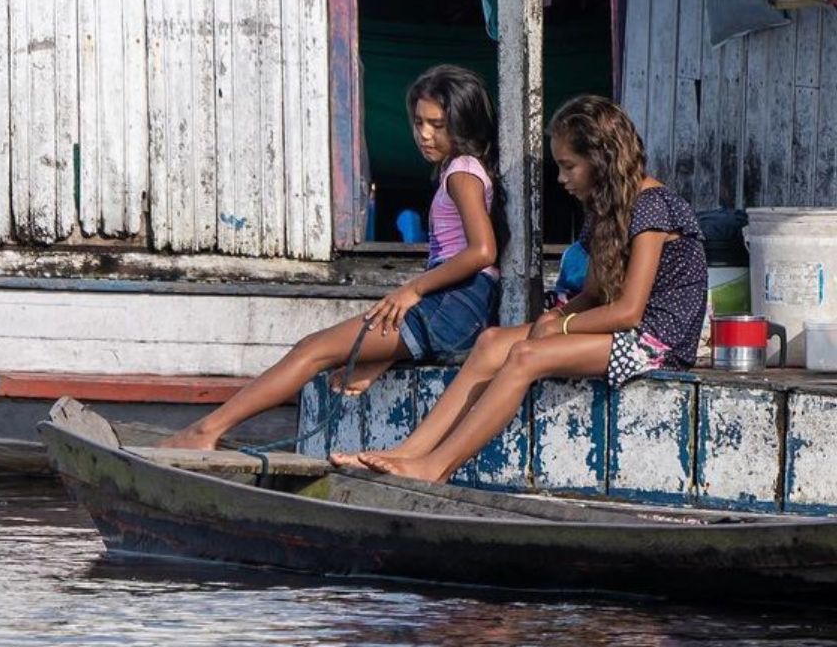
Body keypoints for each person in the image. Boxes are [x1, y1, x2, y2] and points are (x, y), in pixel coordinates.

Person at [344, 94, 707, 483]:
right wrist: (558, 316)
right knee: (491, 342)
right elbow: (592, 294)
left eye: (569, 166)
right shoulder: (604, 209)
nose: (561, 178)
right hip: (619, 329)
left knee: (525, 356)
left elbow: (629, 311)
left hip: (656, 341)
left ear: (601, 159)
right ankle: (408, 452)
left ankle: (436, 467)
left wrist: (561, 326)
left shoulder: (652, 205)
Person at [160, 64, 506, 451]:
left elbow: (482, 251)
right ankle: (385, 358)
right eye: (419, 122)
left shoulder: (462, 172)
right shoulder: (461, 170)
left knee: (312, 351)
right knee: (329, 351)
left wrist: (412, 290)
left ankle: (204, 432)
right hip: (458, 304)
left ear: (463, 123)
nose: (424, 134)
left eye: (437, 125)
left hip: (452, 302)